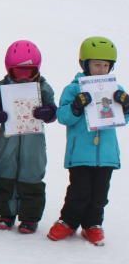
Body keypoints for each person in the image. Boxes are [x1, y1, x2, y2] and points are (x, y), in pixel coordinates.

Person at [47, 36, 128, 246]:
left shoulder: (115, 88)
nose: (101, 69)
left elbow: (122, 119)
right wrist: (76, 106)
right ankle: (68, 221)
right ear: (85, 64)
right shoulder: (74, 89)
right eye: (96, 64)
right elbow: (63, 117)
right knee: (79, 191)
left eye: (105, 65)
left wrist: (126, 106)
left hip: (106, 155)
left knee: (100, 194)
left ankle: (93, 224)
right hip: (81, 153)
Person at [0, 40, 56, 234]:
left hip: (33, 141)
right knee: (4, 173)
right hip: (8, 139)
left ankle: (29, 217)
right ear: (10, 69)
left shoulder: (42, 87)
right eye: (19, 72)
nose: (24, 77)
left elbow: (53, 111)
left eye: (28, 71)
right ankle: (6, 214)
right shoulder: (2, 86)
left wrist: (47, 112)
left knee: (32, 175)